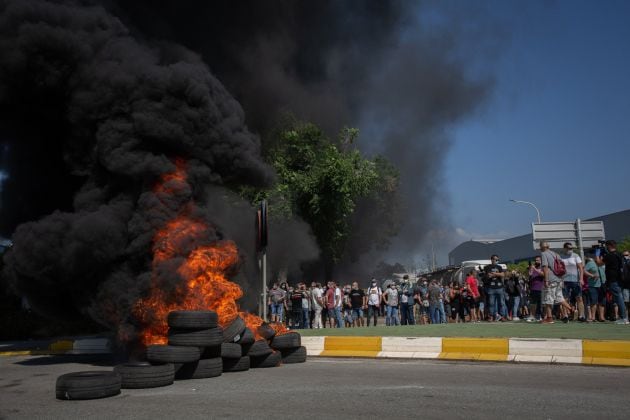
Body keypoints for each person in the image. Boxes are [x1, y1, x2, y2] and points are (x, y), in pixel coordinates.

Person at [595, 240, 629, 324]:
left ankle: (624, 318)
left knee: (619, 298)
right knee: (619, 298)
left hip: (613, 280)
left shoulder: (610, 255)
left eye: (607, 246)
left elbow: (599, 263)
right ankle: (624, 317)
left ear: (609, 246)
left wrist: (597, 254)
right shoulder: (619, 254)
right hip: (620, 279)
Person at [540, 241, 573, 324]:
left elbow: (545, 268)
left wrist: (546, 280)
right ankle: (571, 309)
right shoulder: (556, 254)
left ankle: (549, 318)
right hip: (559, 278)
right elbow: (561, 267)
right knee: (559, 297)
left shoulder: (544, 254)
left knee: (548, 299)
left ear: (542, 247)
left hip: (551, 279)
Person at [561, 242, 586, 322]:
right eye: (568, 248)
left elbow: (581, 268)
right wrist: (560, 280)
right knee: (565, 298)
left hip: (575, 280)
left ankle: (581, 316)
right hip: (564, 280)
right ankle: (565, 316)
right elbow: (559, 270)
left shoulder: (576, 256)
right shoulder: (561, 257)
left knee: (579, 298)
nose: (570, 250)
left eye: (571, 248)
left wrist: (581, 279)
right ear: (564, 248)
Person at [484, 254, 507, 322]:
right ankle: (491, 316)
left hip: (499, 287)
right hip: (491, 288)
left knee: (502, 303)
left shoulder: (499, 267)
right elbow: (488, 275)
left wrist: (494, 274)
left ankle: (502, 316)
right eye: (496, 259)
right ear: (492, 260)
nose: (497, 261)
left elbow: (503, 275)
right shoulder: (487, 267)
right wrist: (498, 274)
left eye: (498, 260)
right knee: (491, 303)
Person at [584, 253, 605, 322]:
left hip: (603, 284)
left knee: (602, 301)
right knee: (594, 301)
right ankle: (593, 317)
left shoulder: (604, 263)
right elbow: (584, 271)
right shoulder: (590, 263)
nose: (601, 258)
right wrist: (592, 275)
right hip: (593, 285)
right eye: (600, 257)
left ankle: (601, 317)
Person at [526, 257, 544, 322]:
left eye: (538, 260)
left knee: (540, 303)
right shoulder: (533, 268)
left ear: (541, 261)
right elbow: (530, 275)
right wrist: (530, 269)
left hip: (540, 288)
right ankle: (532, 316)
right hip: (533, 288)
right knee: (532, 303)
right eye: (535, 260)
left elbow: (542, 274)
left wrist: (534, 269)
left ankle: (540, 316)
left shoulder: (543, 268)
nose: (536, 261)